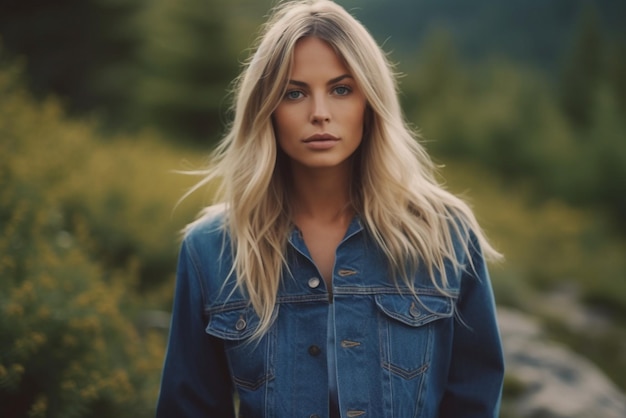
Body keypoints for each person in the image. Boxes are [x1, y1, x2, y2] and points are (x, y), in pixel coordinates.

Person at [156, 0, 504, 417]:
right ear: (266, 107)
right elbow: (188, 408)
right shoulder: (210, 250)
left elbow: (475, 401)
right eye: (294, 93)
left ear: (370, 102)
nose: (319, 114)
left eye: (341, 89)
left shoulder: (444, 234)